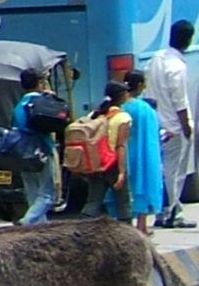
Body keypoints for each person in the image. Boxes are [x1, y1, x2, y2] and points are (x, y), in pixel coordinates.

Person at [152, 19, 196, 229]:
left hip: (157, 124)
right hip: (174, 127)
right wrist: (186, 127)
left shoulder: (156, 59)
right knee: (175, 172)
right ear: (188, 40)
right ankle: (173, 213)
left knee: (162, 170)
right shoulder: (177, 67)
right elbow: (180, 101)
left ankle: (162, 211)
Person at [13, 63, 69, 224]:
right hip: (43, 149)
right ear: (39, 83)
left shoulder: (19, 105)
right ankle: (27, 221)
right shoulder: (44, 101)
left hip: (23, 152)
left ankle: (40, 228)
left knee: (32, 194)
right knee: (47, 195)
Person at [78, 81, 133, 220]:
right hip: (113, 163)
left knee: (93, 202)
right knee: (123, 204)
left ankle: (82, 232)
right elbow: (120, 145)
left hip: (97, 162)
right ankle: (127, 237)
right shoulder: (123, 117)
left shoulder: (94, 114)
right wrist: (121, 172)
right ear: (121, 96)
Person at [120, 69, 165, 229]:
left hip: (122, 154)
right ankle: (142, 225)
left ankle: (124, 226)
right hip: (142, 154)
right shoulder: (145, 109)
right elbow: (153, 137)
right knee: (142, 185)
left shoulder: (119, 106)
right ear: (139, 85)